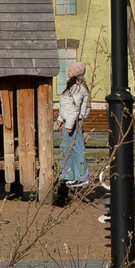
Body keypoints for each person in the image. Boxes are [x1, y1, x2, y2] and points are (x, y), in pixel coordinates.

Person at [55, 61, 92, 189]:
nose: (68, 71)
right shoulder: (72, 86)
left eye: (70, 70)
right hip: (68, 121)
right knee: (66, 148)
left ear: (76, 73)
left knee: (76, 149)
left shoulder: (78, 88)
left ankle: (82, 177)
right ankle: (68, 175)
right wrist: (60, 118)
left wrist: (69, 125)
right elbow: (65, 105)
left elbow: (74, 109)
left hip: (74, 122)